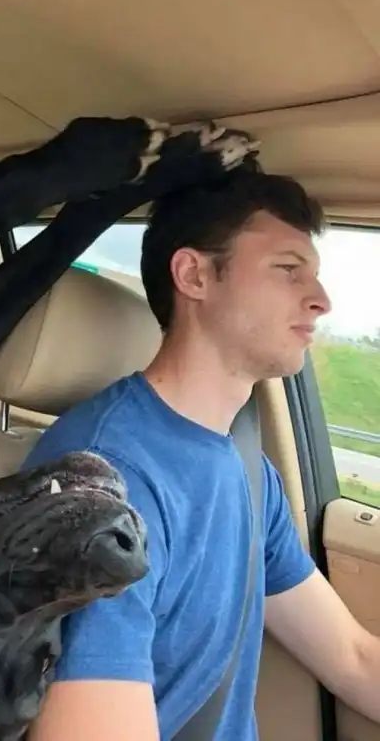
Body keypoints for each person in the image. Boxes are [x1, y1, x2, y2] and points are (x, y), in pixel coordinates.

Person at [21, 167, 380, 741]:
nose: (321, 300)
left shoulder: (247, 468)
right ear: (194, 275)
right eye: (288, 270)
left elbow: (352, 657)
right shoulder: (101, 485)